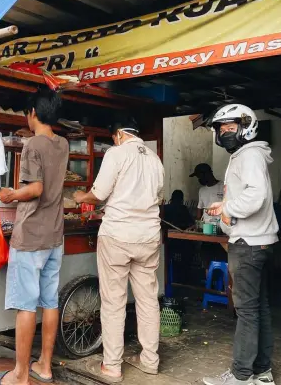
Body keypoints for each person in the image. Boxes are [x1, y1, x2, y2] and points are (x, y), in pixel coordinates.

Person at [74, 116, 165, 383]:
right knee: (148, 300)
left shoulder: (116, 153)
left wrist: (81, 196)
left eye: (113, 137)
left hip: (117, 236)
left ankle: (112, 366)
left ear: (119, 135)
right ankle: (150, 360)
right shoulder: (154, 159)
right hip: (148, 236)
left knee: (114, 302)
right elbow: (155, 198)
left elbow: (98, 193)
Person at [0, 87, 69, 385]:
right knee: (49, 301)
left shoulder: (32, 145)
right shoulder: (62, 143)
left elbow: (35, 189)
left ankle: (21, 374)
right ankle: (45, 366)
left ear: (33, 113)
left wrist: (11, 194)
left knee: (26, 305)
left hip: (31, 237)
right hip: (55, 236)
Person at [202, 104, 279, 385]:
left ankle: (241, 375)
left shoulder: (249, 156)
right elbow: (249, 195)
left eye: (230, 127)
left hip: (248, 243)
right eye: (221, 129)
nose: (225, 133)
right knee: (259, 308)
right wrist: (226, 206)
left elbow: (255, 196)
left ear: (247, 126)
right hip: (257, 241)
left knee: (246, 311)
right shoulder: (248, 155)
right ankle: (262, 372)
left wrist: (228, 207)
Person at [191, 163, 224, 231]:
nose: (199, 179)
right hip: (206, 228)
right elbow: (199, 209)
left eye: (199, 176)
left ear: (206, 174)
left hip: (220, 227)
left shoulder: (223, 187)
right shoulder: (202, 190)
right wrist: (197, 225)